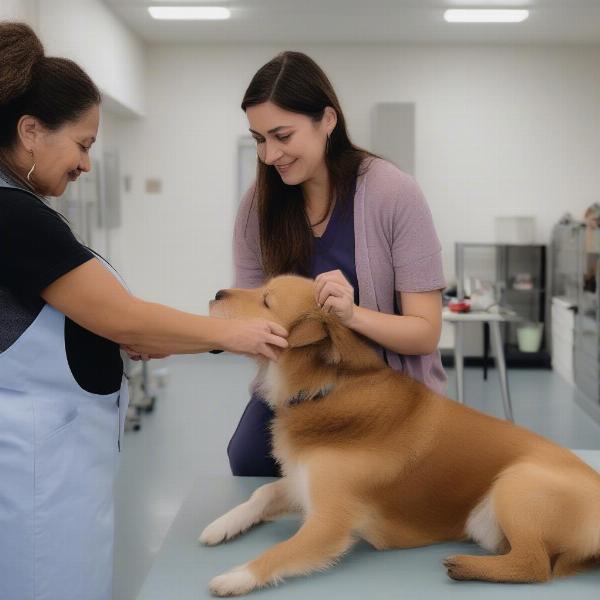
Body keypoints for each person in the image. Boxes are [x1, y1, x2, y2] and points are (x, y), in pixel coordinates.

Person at [0, 23, 287, 600]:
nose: (86, 164)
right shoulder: (15, 217)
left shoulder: (21, 210)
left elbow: (121, 325)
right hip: (35, 466)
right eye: (82, 144)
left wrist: (191, 337)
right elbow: (124, 319)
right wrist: (235, 334)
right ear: (31, 131)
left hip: (56, 459)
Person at [228, 51, 447, 476]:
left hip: (382, 382)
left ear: (327, 120)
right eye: (259, 139)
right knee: (249, 458)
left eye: (282, 135)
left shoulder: (392, 193)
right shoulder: (257, 207)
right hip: (294, 384)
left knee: (361, 477)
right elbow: (248, 317)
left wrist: (352, 316)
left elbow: (425, 333)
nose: (270, 154)